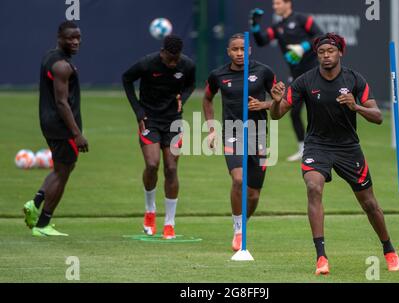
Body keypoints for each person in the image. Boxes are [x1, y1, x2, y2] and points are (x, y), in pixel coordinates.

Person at [270, 33, 399, 275]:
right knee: (313, 187)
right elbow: (277, 115)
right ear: (317, 55)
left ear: (340, 52)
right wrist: (277, 102)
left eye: (331, 51)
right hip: (317, 146)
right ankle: (321, 257)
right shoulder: (304, 81)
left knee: (369, 203)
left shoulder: (354, 79)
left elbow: (378, 117)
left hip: (348, 148)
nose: (326, 56)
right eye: (321, 52)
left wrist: (356, 106)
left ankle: (389, 250)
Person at [203, 33, 276, 251]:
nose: (239, 53)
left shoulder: (263, 72)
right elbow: (207, 98)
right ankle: (237, 229)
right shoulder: (218, 75)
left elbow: (282, 101)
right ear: (228, 51)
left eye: (243, 49)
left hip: (259, 134)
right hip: (231, 133)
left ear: (250, 50)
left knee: (253, 194)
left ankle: (243, 224)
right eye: (235, 49)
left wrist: (265, 105)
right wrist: (212, 129)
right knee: (238, 179)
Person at [122, 35, 196, 239]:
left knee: (171, 168)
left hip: (173, 121)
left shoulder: (187, 65)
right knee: (153, 164)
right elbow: (126, 78)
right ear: (162, 52)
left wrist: (184, 98)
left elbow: (190, 85)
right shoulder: (147, 63)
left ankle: (170, 223)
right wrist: (137, 110)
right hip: (150, 119)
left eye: (176, 59)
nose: (173, 63)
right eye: (169, 59)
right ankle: (150, 211)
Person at [23, 21, 88, 237]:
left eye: (78, 37)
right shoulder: (62, 65)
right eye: (70, 38)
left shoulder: (51, 57)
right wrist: (77, 134)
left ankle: (36, 203)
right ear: (59, 38)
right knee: (62, 173)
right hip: (63, 127)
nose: (75, 41)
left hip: (49, 123)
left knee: (64, 168)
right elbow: (62, 102)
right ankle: (43, 224)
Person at [250, 0, 323, 162]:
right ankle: (303, 149)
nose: (275, 7)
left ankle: (319, 147)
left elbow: (320, 36)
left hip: (313, 72)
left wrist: (303, 47)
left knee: (316, 109)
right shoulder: (278, 27)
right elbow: (262, 41)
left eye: (278, 3)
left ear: (287, 3)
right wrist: (255, 26)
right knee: (294, 111)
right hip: (296, 76)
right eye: (274, 4)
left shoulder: (302, 19)